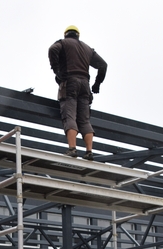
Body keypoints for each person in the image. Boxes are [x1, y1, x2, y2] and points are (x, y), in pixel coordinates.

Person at [48, 25, 108, 161]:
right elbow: (103, 65)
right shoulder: (87, 49)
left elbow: (52, 49)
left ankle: (72, 149)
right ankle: (89, 151)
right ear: (78, 35)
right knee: (85, 119)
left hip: (70, 82)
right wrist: (97, 84)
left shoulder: (62, 43)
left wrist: (57, 71)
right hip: (85, 85)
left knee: (69, 115)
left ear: (66, 35)